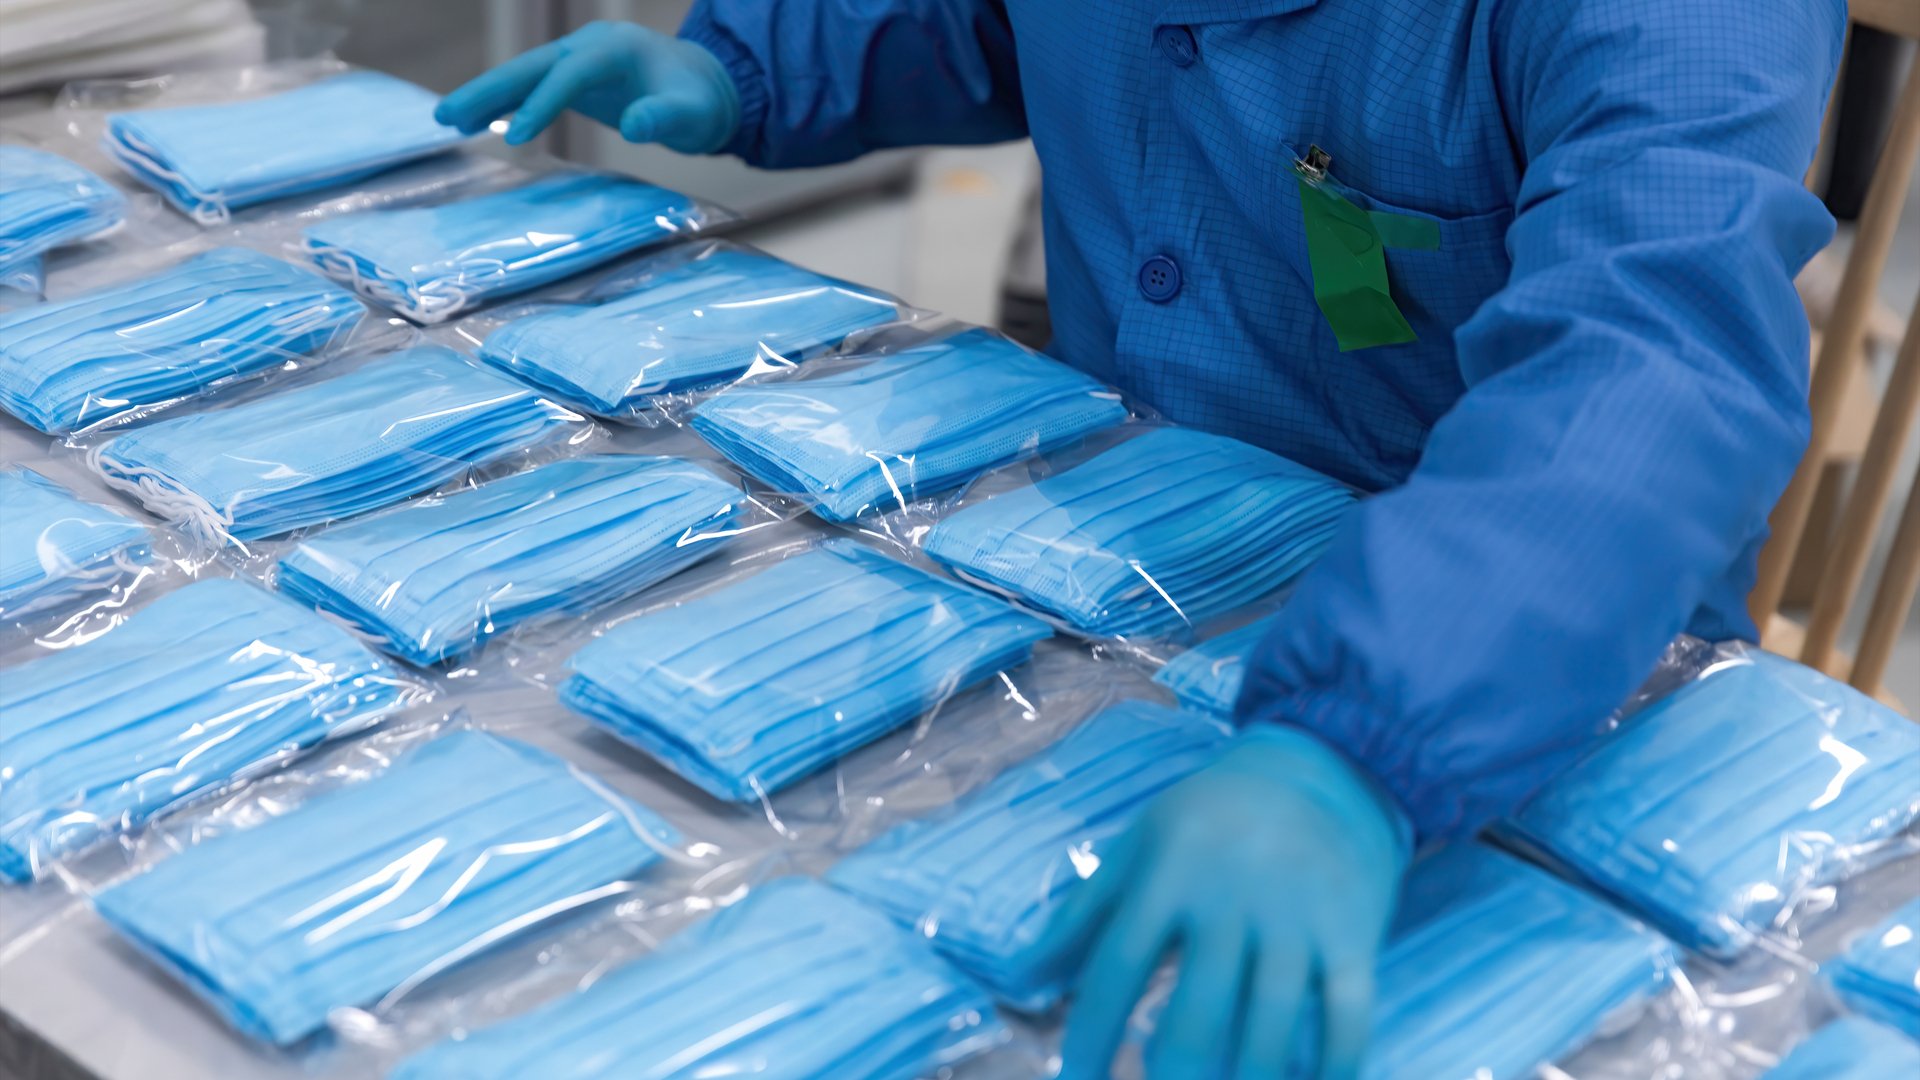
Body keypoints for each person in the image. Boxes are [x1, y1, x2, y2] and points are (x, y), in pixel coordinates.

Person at [437, 2, 1845, 1076]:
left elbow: (1648, 361)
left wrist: (1363, 746)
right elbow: (978, 17)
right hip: (1106, 574)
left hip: (1514, 662)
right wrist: (753, 62)